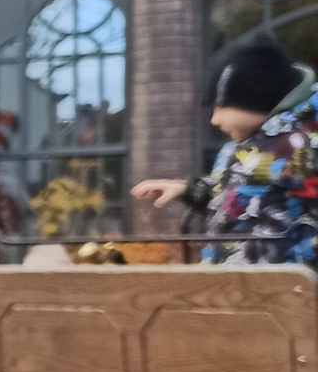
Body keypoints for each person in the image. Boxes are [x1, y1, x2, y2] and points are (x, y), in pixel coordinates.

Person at [132, 29, 318, 265]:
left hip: (289, 286)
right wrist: (188, 189)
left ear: (258, 98)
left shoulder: (304, 145)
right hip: (235, 281)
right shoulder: (243, 147)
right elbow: (235, 191)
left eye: (221, 107)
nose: (214, 120)